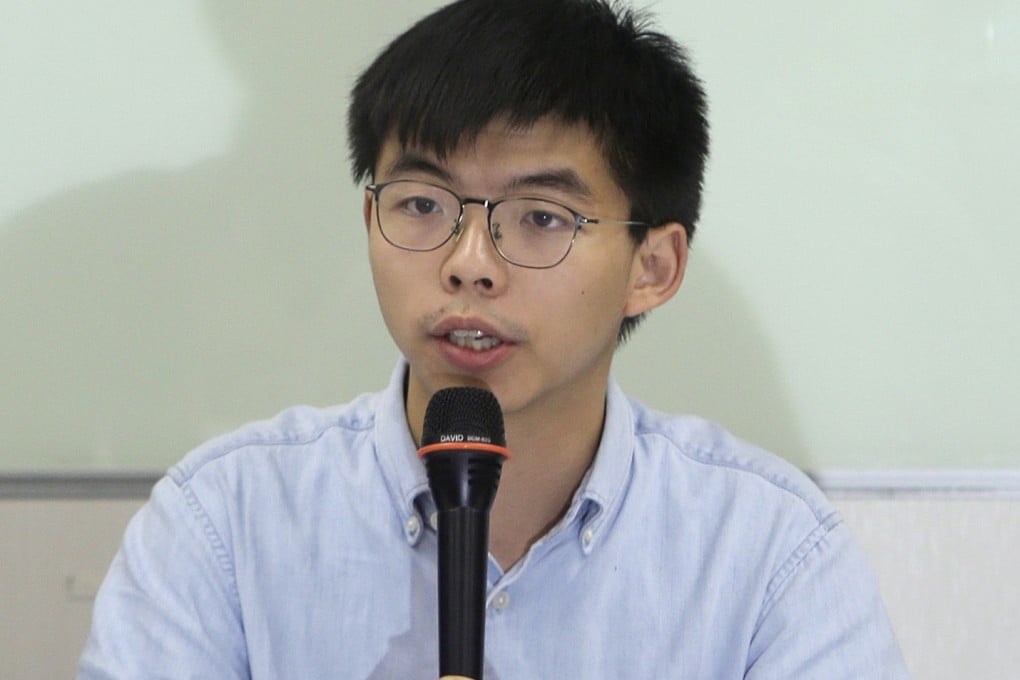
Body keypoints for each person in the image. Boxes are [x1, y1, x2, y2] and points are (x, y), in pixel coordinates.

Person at [78, 0, 908, 677]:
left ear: (652, 265)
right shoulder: (224, 524)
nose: (468, 265)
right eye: (422, 205)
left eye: (541, 218)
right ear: (370, 219)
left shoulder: (770, 555)